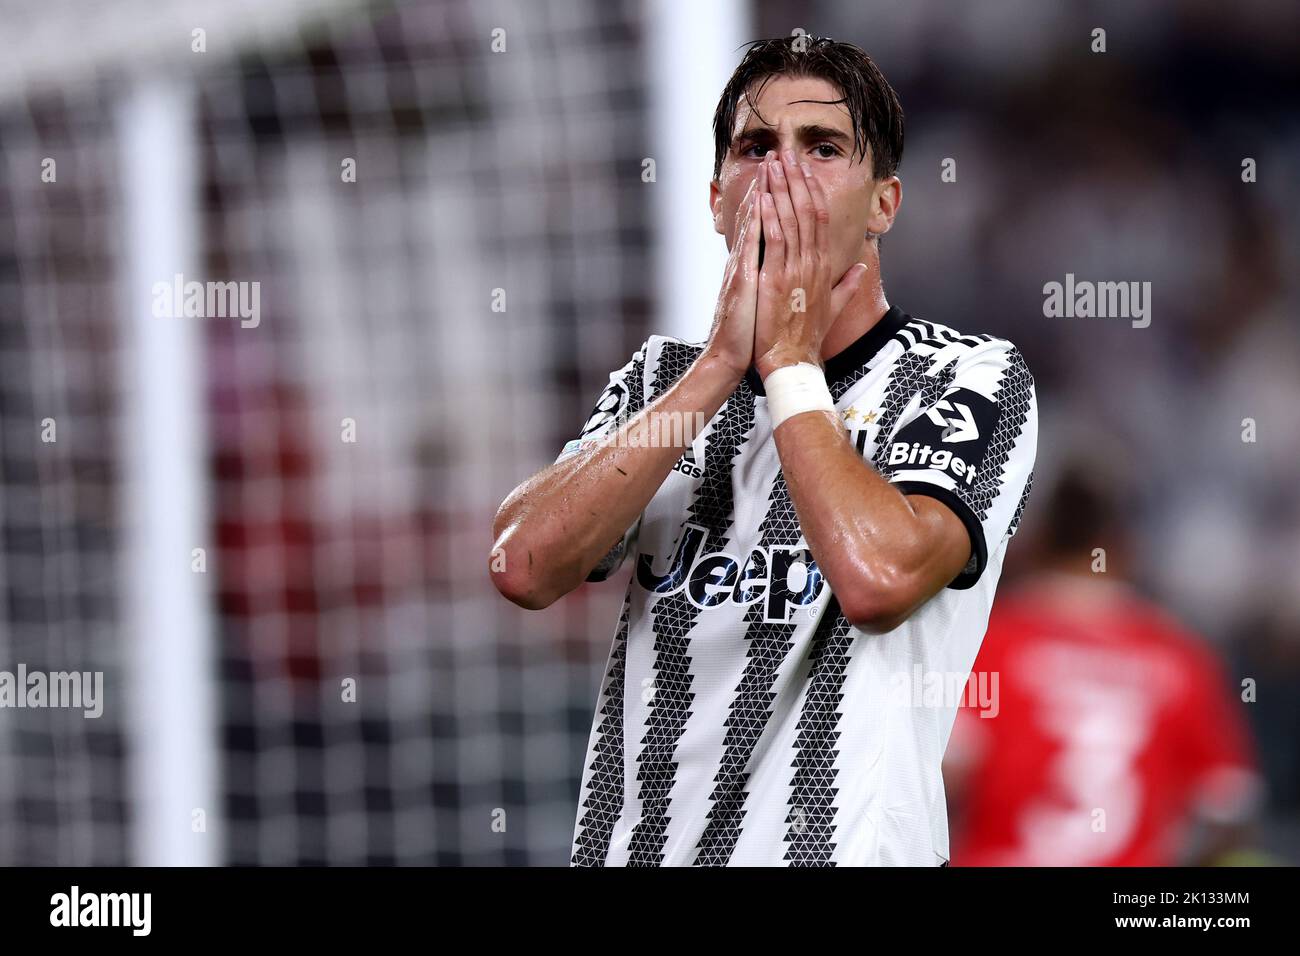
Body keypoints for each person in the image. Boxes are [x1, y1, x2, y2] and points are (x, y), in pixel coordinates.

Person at [490, 36, 1038, 866]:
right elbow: (524, 565)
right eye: (757, 148)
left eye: (822, 149)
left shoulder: (963, 374)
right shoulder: (662, 383)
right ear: (718, 200)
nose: (782, 174)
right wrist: (717, 367)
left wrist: (786, 361)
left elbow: (879, 578)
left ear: (884, 202)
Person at [944, 463, 1264, 866]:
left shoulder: (989, 638)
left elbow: (945, 775)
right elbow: (1229, 810)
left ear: (1037, 538)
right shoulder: (1181, 655)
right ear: (1128, 544)